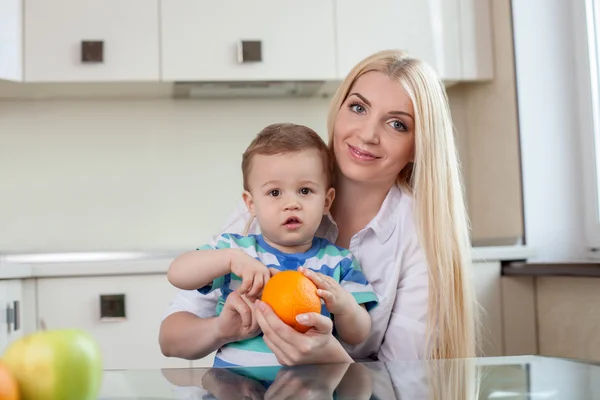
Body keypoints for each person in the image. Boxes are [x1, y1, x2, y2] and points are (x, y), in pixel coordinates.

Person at [159, 48, 477, 365]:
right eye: (357, 107)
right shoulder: (269, 201)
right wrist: (223, 330)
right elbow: (172, 338)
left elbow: (407, 380)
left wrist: (330, 360)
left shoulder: (421, 234)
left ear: (419, 146)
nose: (367, 134)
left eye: (397, 124)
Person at [166, 123, 379, 368]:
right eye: (275, 192)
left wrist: (344, 307)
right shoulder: (236, 250)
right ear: (251, 203)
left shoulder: (339, 261)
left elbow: (359, 334)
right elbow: (177, 274)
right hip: (234, 387)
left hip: (311, 387)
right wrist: (230, 260)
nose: (292, 203)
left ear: (326, 201)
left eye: (305, 190)